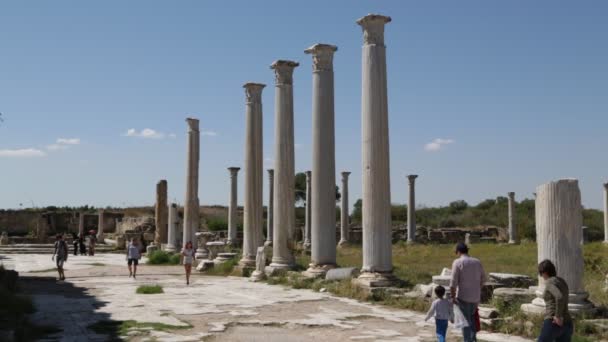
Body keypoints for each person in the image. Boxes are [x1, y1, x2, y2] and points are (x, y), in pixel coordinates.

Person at [449, 242, 485, 342]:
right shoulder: (477, 261)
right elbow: (483, 279)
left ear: (458, 251)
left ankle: (467, 340)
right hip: (475, 297)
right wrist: (478, 289)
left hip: (463, 297)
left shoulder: (458, 262)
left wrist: (452, 297)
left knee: (465, 322)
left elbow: (453, 282)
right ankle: (473, 339)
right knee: (472, 320)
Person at [537, 259, 573, 342]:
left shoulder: (549, 283)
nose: (541, 276)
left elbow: (559, 297)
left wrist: (558, 316)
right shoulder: (562, 281)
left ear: (545, 272)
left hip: (553, 322)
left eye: (541, 273)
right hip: (567, 323)